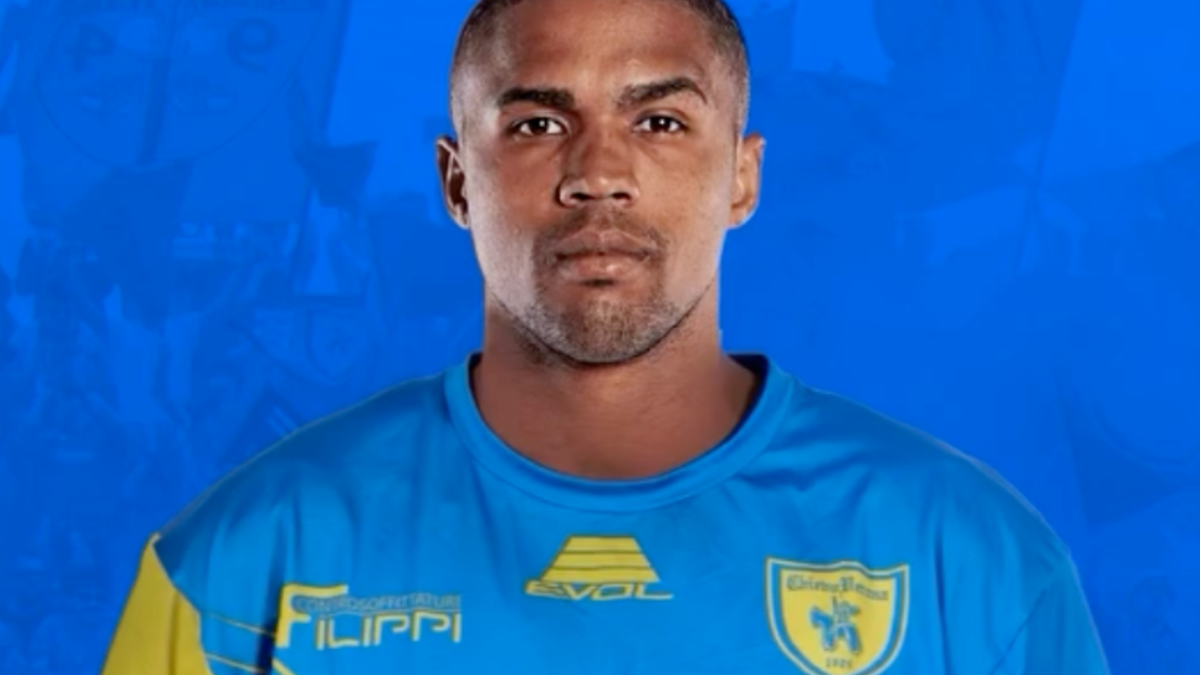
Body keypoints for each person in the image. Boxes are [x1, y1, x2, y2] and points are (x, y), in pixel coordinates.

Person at [101, 0, 1112, 673]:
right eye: (538, 124)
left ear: (743, 177)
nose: (598, 174)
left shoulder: (965, 556)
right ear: (456, 181)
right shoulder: (243, 558)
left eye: (659, 123)